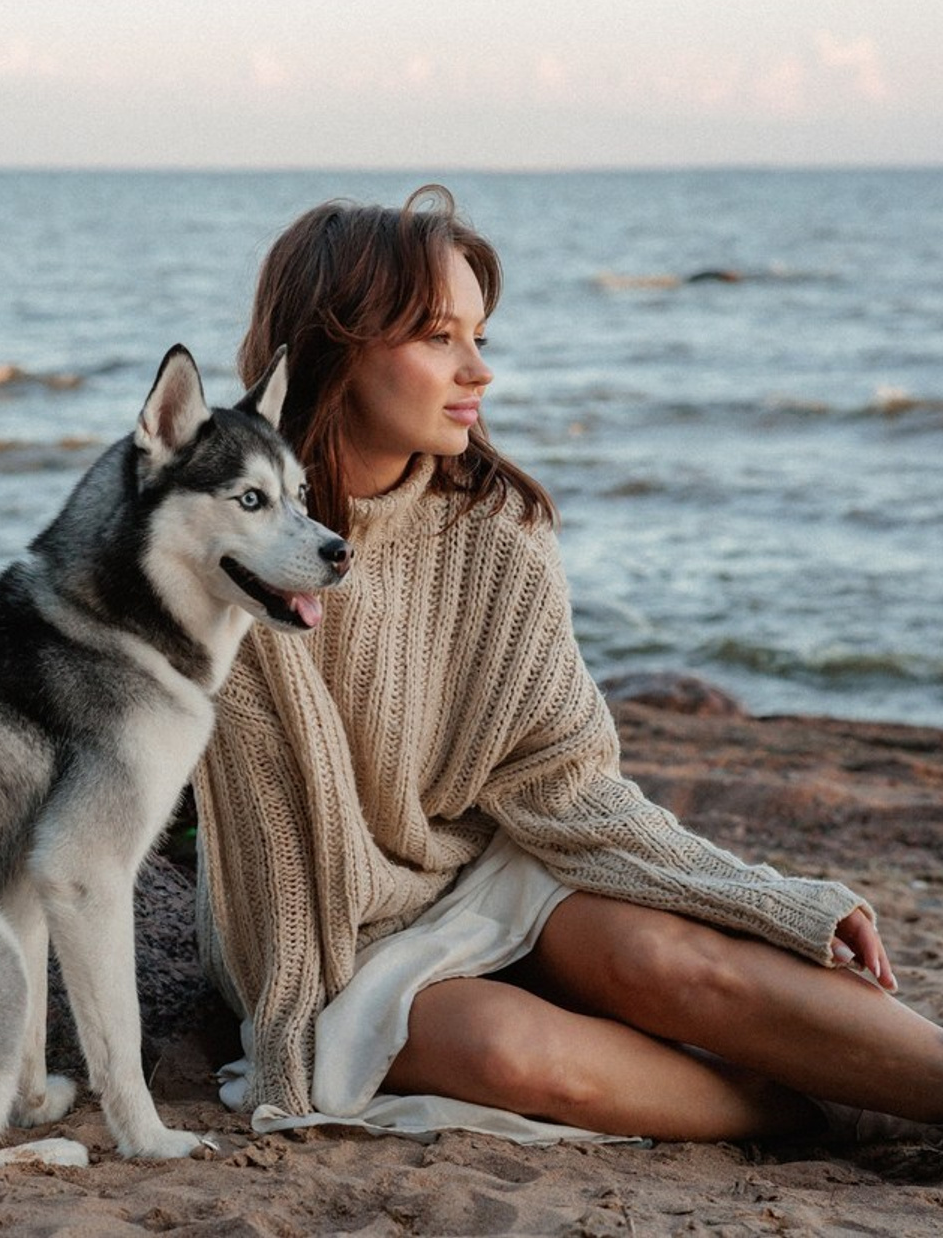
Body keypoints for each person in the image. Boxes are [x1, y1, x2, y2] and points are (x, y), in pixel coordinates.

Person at [191, 185, 943, 1146]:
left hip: (491, 866)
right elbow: (276, 870)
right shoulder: (222, 549)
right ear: (333, 347)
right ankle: (836, 1118)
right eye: (437, 337)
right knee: (513, 1056)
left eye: (482, 337)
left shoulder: (496, 533)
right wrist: (287, 1032)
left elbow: (564, 785)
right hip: (332, 928)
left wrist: (764, 896)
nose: (478, 372)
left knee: (676, 964)